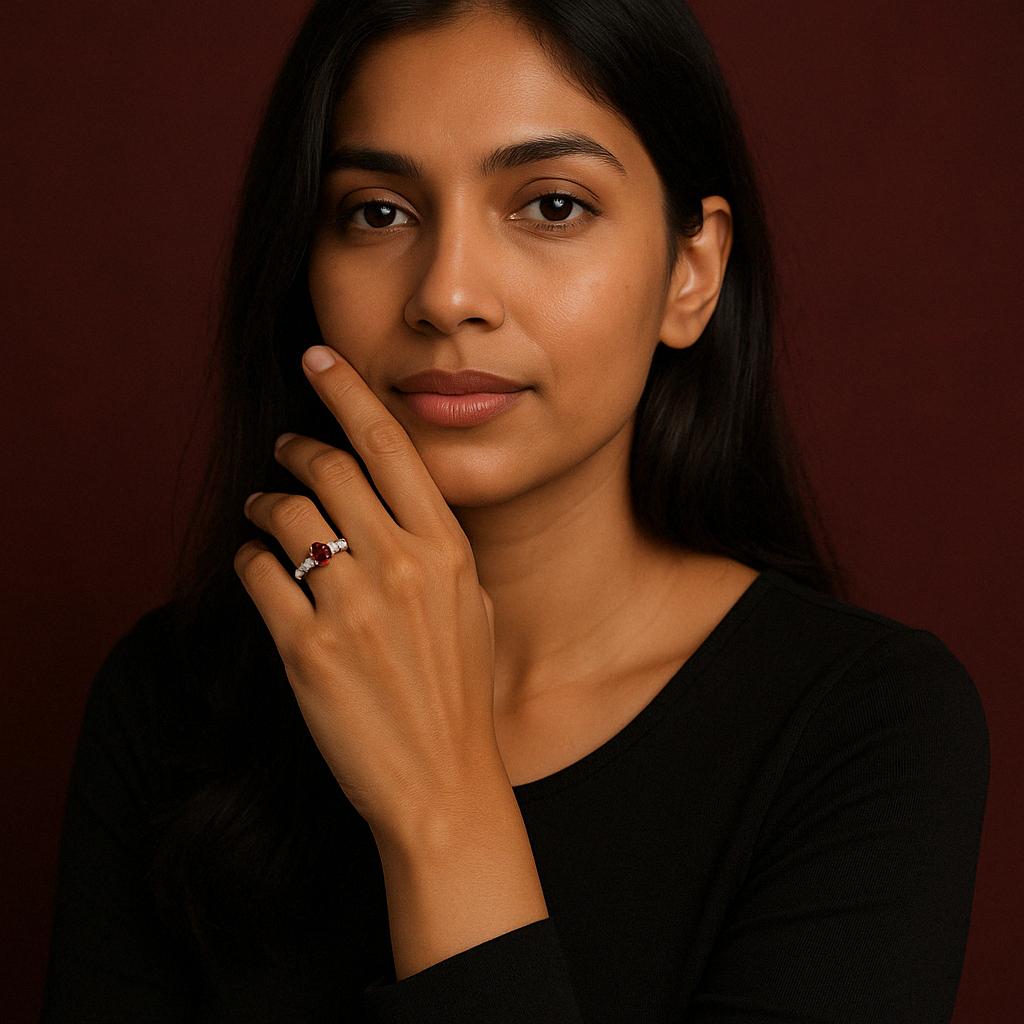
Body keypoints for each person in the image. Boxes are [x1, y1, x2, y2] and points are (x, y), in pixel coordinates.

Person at [40, 1, 990, 1021]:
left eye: (550, 205)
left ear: (691, 271)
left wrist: (441, 807)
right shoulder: (172, 701)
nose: (447, 294)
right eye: (377, 211)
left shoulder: (863, 723)